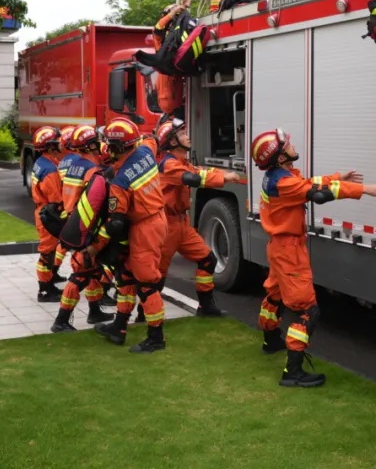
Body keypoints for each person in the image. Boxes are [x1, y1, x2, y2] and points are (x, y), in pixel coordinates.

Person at [250, 128, 376, 388]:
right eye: (286, 145)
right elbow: (319, 193)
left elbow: (310, 183)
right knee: (307, 311)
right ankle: (292, 372)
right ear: (280, 157)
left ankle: (270, 340)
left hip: (279, 247)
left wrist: (337, 176)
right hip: (289, 252)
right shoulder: (284, 182)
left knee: (275, 295)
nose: (292, 145)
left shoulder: (279, 177)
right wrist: (366, 189)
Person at [91, 117, 170, 353]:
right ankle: (119, 327)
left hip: (144, 229)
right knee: (125, 275)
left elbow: (115, 223)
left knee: (146, 284)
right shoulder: (146, 150)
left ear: (115, 148)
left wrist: (96, 245)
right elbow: (152, 138)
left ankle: (156, 338)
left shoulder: (120, 182)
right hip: (156, 220)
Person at [154, 117, 240, 317]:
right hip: (167, 225)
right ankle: (146, 313)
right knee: (157, 274)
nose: (188, 137)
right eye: (183, 134)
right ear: (172, 141)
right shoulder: (169, 165)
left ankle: (206, 306)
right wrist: (223, 177)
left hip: (181, 224)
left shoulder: (181, 162)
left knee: (207, 259)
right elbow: (193, 178)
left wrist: (223, 172)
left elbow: (199, 171)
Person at [49, 124, 116, 331]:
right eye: (96, 142)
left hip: (73, 224)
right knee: (80, 274)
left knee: (93, 272)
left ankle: (94, 311)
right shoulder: (92, 171)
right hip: (84, 229)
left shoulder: (75, 166)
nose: (100, 144)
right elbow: (93, 205)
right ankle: (61, 320)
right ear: (91, 146)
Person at [30, 126, 68, 301]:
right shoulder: (50, 171)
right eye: (57, 142)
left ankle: (50, 280)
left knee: (50, 251)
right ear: (51, 146)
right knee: (47, 253)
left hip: (43, 211)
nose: (60, 144)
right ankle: (44, 290)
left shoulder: (43, 162)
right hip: (49, 215)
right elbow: (56, 198)